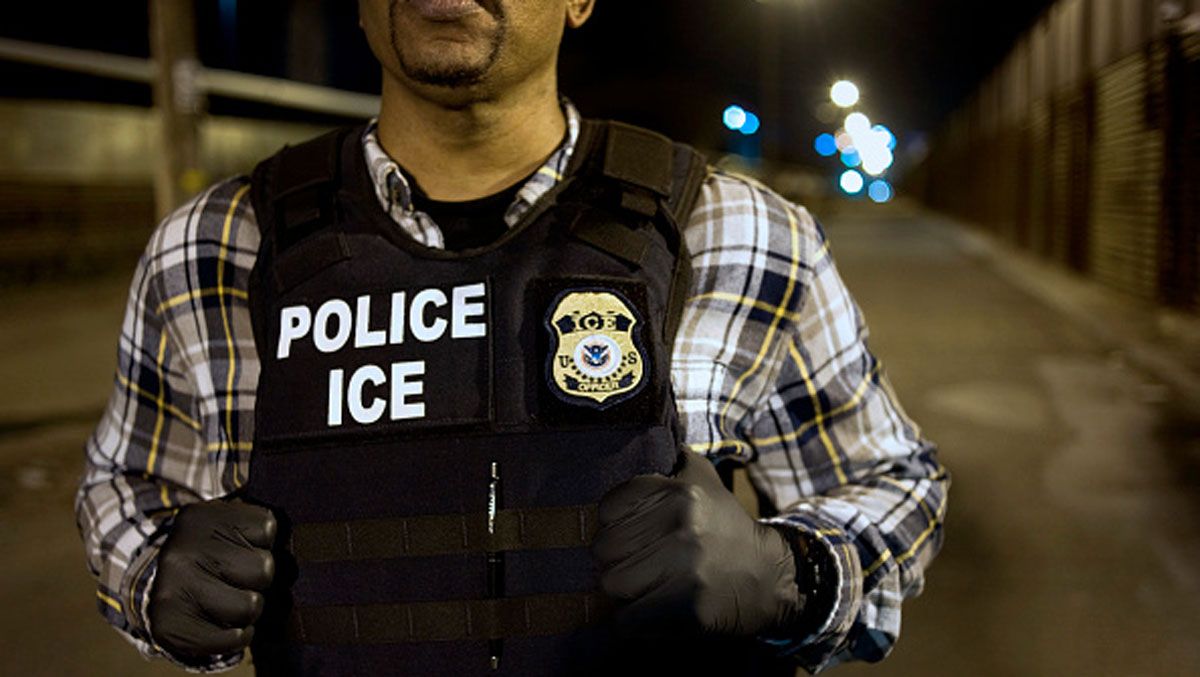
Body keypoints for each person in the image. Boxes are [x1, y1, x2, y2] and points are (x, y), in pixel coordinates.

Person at [76, 0, 948, 674]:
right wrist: (153, 575)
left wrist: (791, 572)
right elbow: (124, 482)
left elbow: (893, 481)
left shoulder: (737, 235)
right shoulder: (216, 249)